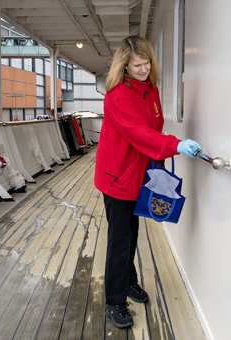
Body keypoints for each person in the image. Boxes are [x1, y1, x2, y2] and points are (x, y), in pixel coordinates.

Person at [94, 35, 203, 329]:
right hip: (117, 177)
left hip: (138, 175)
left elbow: (154, 126)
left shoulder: (150, 90)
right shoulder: (117, 96)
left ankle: (129, 281)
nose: (142, 70)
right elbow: (139, 133)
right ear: (124, 66)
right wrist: (175, 144)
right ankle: (114, 302)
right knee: (120, 240)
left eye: (146, 63)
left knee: (132, 231)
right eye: (136, 65)